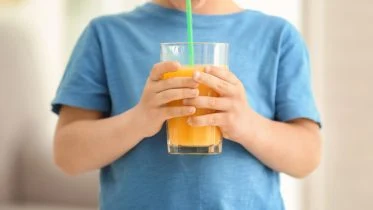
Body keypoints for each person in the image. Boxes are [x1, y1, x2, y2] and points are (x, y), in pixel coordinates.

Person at [52, 0, 322, 209]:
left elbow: (307, 157)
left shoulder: (278, 37)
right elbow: (68, 156)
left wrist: (247, 125)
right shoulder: (105, 35)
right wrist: (139, 120)